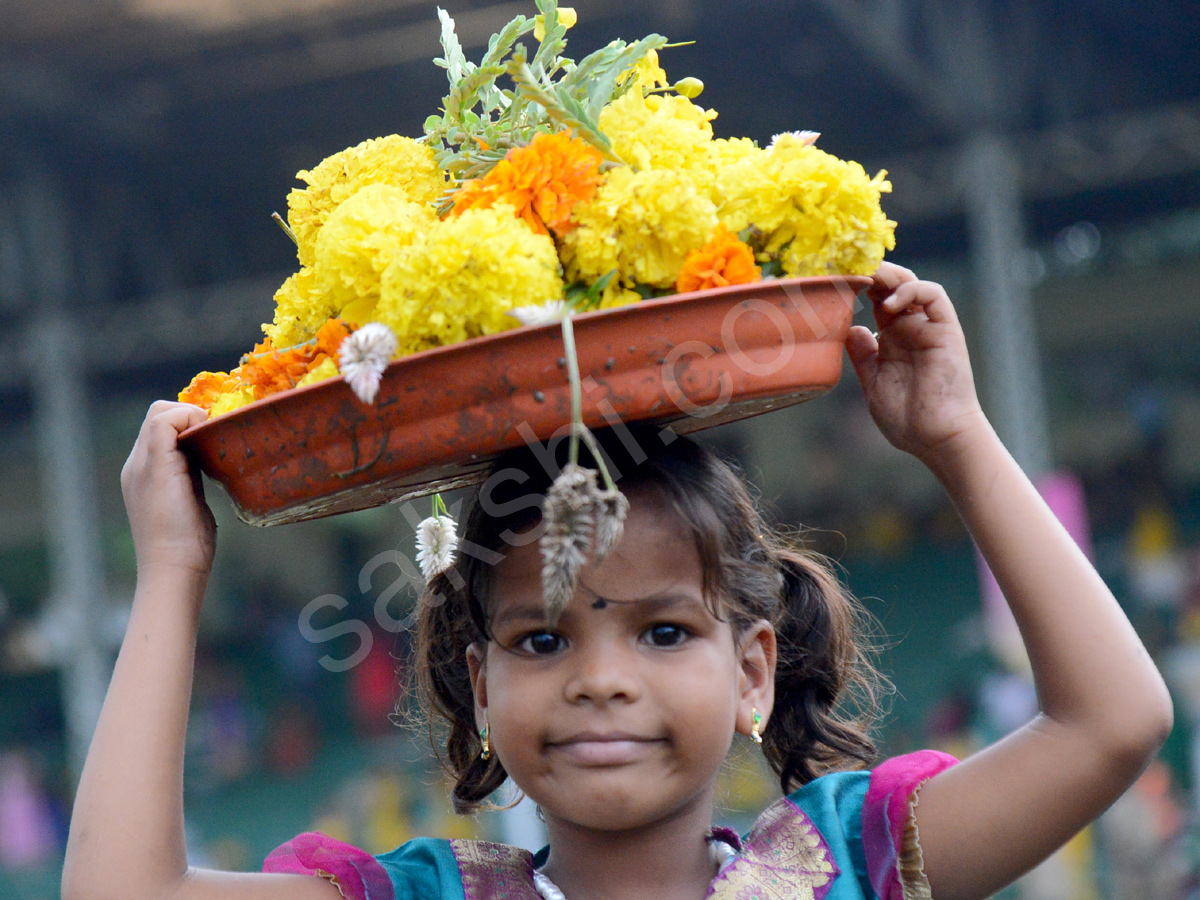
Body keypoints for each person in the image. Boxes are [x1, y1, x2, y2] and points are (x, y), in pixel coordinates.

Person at [61, 263, 1173, 900]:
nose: (600, 680)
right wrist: (169, 570)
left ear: (752, 672)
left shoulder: (844, 865)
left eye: (662, 633)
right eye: (542, 641)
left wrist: (958, 440)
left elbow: (1113, 723)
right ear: (479, 686)